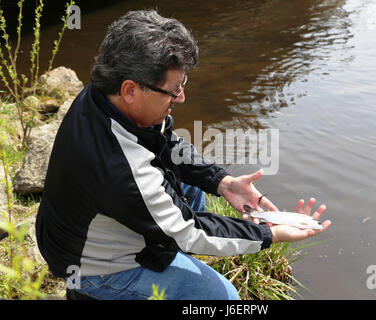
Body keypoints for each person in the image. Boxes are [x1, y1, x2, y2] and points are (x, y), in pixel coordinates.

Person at [35, 9, 331, 300]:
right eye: (174, 90)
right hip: (95, 268)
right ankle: (92, 294)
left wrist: (222, 182)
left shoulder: (104, 96)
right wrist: (270, 233)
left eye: (183, 85)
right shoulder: (120, 167)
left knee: (187, 185)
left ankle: (172, 256)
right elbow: (189, 231)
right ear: (131, 90)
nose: (182, 97)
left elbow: (168, 145)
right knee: (221, 297)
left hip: (85, 224)